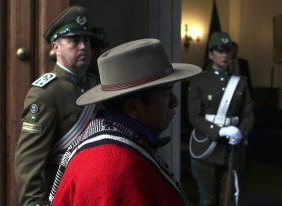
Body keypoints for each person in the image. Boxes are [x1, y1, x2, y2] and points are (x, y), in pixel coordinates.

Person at [48, 38, 201, 206]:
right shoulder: (110, 167)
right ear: (133, 108)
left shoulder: (124, 144)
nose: (175, 101)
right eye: (166, 93)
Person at [14, 6, 99, 206]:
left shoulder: (97, 85)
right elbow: (28, 163)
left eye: (86, 40)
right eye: (74, 41)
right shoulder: (45, 93)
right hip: (65, 194)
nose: (83, 47)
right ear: (56, 47)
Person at [187, 32, 254, 206]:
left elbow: (248, 114)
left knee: (230, 198)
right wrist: (219, 131)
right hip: (207, 147)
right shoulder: (199, 81)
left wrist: (241, 131)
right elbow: (194, 116)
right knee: (208, 199)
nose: (224, 54)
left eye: (228, 50)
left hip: (233, 148)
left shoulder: (241, 82)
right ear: (210, 54)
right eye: (219, 50)